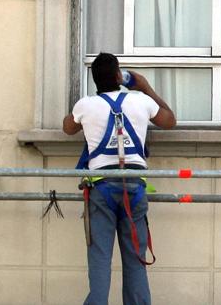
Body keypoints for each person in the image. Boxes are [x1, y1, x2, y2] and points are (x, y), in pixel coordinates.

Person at [63, 53, 176, 305]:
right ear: (119, 76)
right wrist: (144, 86)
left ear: (94, 80)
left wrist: (85, 112)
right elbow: (170, 120)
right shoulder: (140, 101)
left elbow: (68, 127)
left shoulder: (86, 105)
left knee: (100, 261)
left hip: (100, 189)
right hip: (134, 187)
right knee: (136, 260)